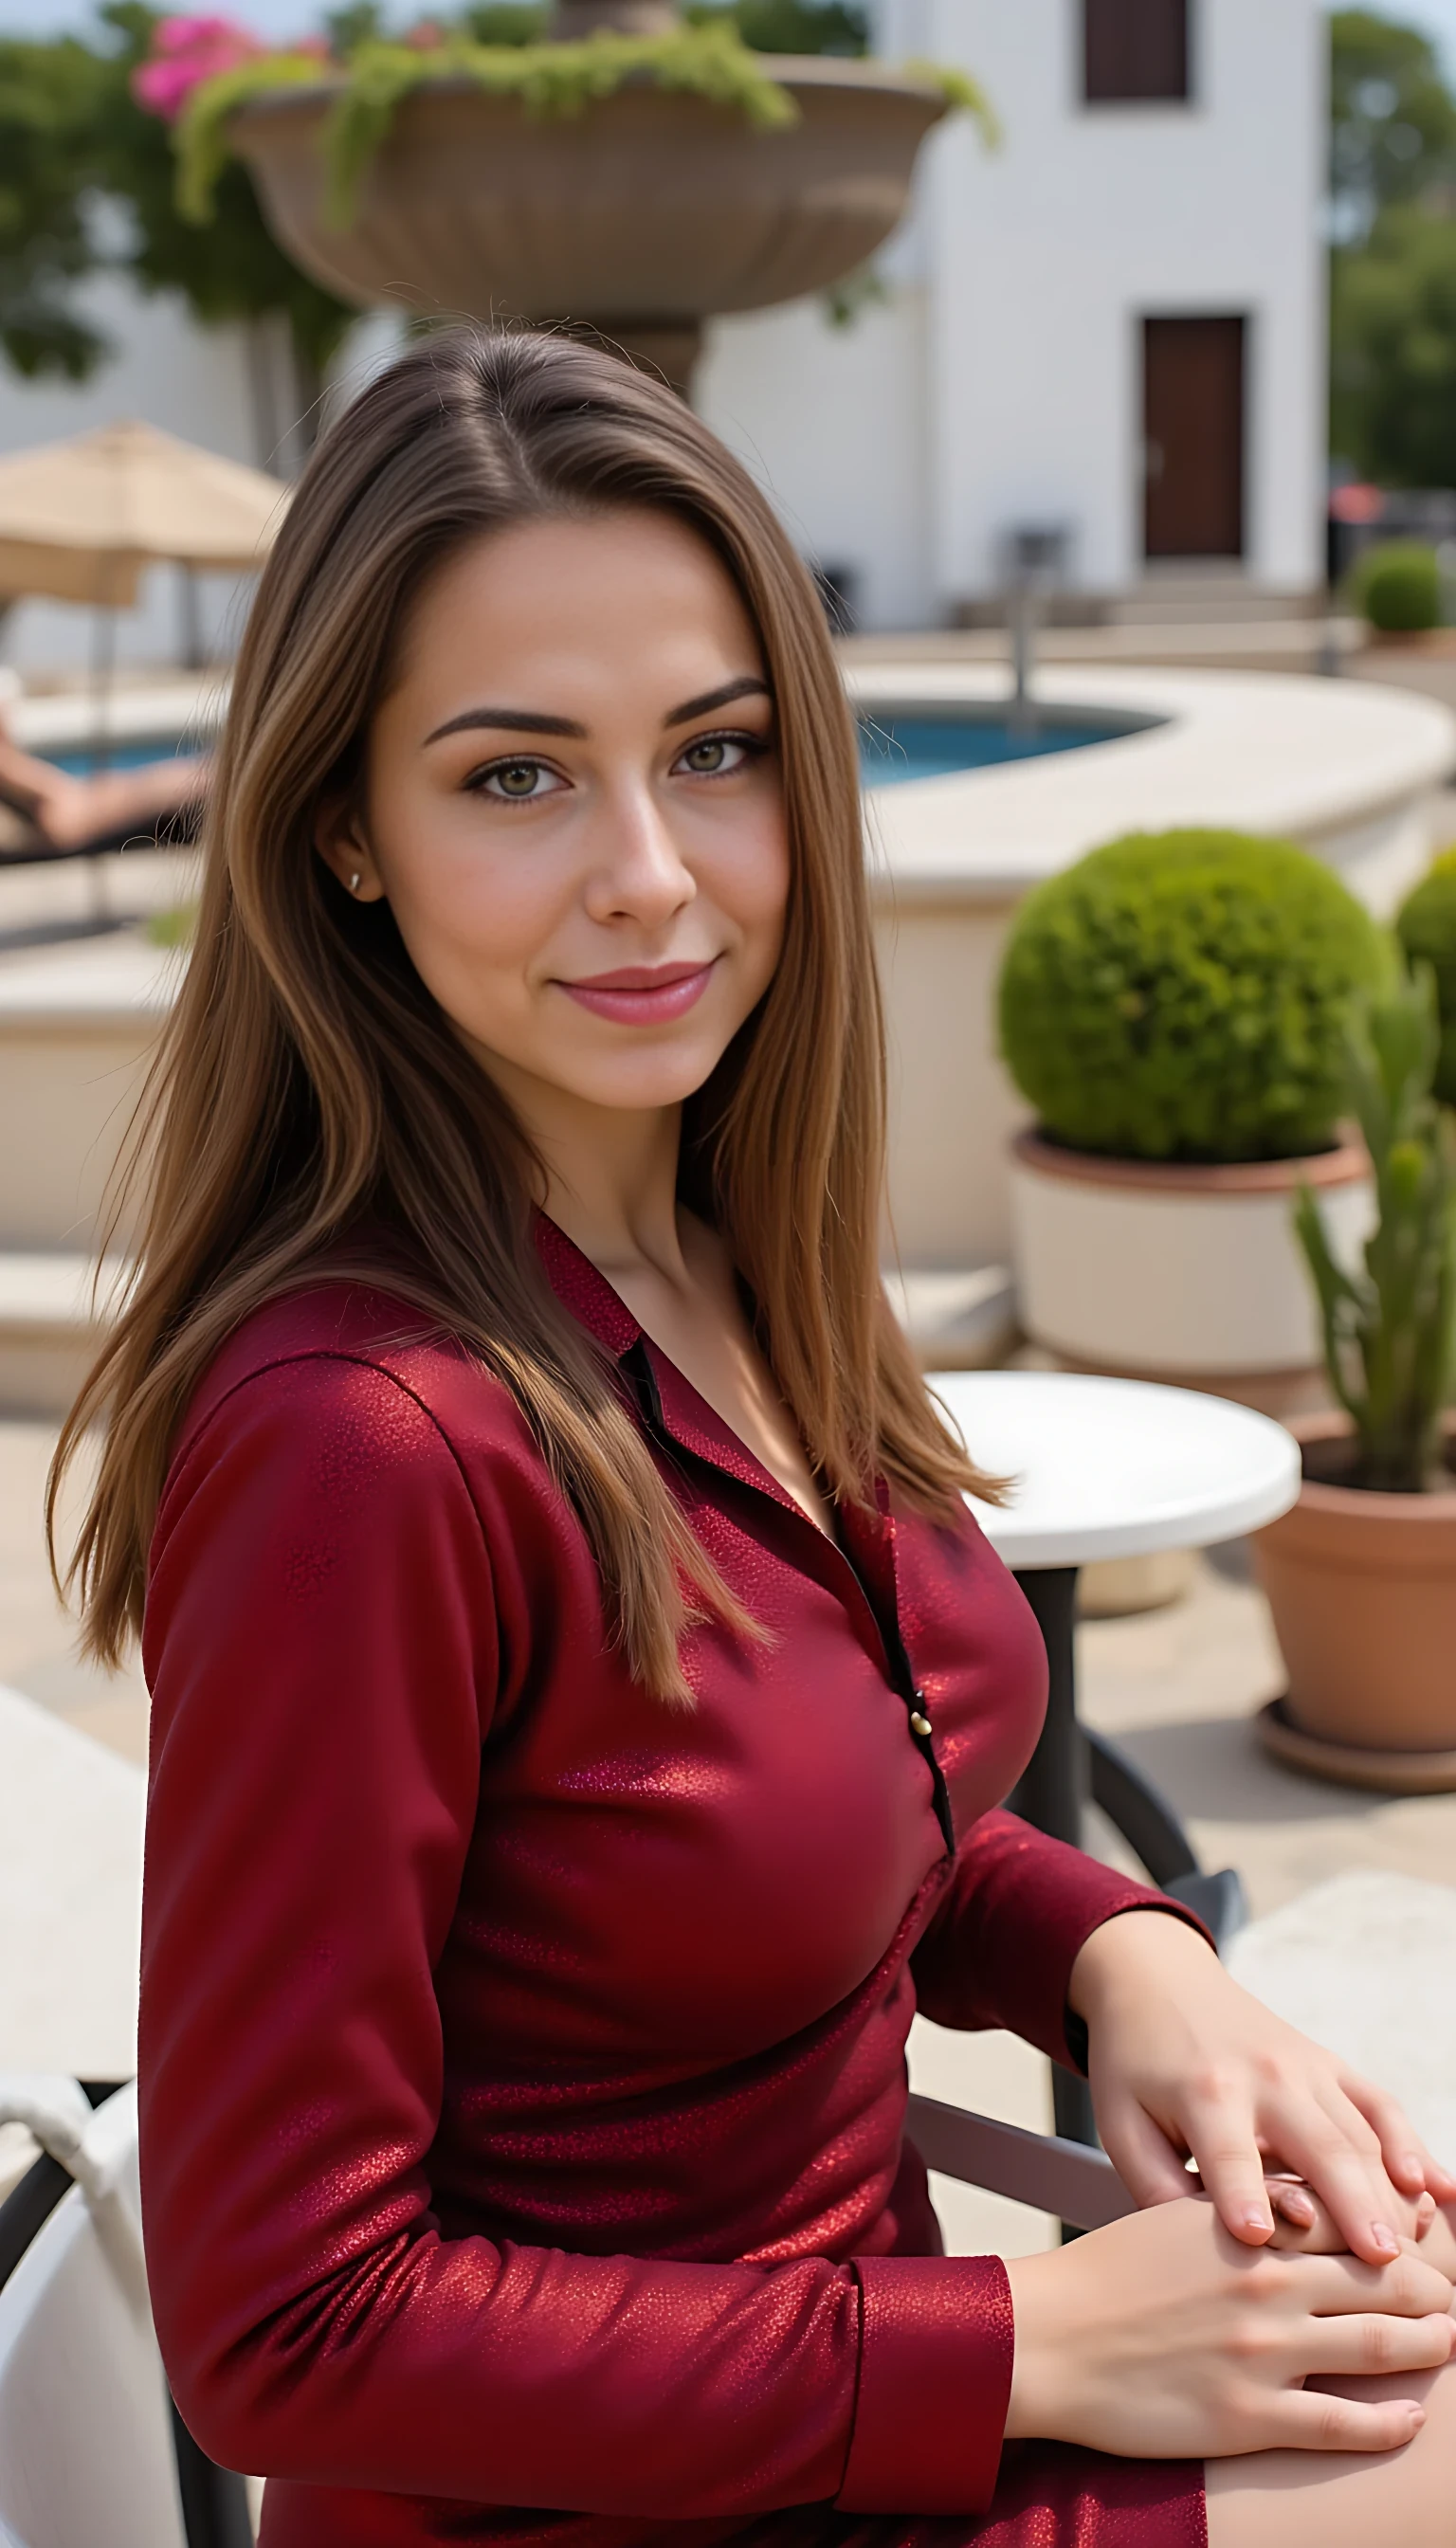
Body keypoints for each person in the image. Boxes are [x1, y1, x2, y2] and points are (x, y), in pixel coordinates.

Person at [51, 329, 1455, 2548]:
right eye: (515, 777)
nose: (649, 872)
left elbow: (793, 1839)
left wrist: (1123, 1954)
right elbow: (278, 2325)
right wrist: (1040, 2348)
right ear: (341, 831)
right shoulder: (363, 1442)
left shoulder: (729, 1256)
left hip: (868, 2417)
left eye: (711, 752)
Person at [0, 702, 208, 855]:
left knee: (185, 780)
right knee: (188, 782)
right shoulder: (9, 767)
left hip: (77, 808)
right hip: (72, 818)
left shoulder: (12, 768)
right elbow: (56, 801)